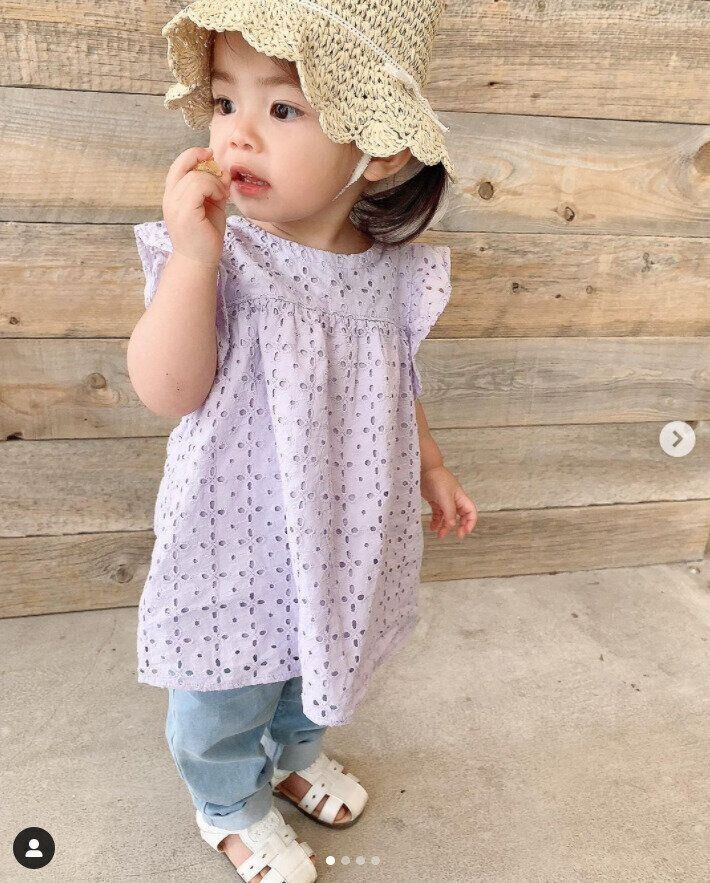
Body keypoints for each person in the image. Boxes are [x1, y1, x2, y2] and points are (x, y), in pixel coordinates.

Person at [127, 1, 477, 880]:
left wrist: (433, 465)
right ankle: (228, 803)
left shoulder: (387, 274)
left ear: (378, 146)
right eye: (223, 102)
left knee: (322, 653)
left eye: (282, 108)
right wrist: (194, 261)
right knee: (223, 691)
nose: (236, 134)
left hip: (341, 532)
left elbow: (393, 384)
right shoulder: (222, 255)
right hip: (234, 537)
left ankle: (291, 756)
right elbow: (168, 389)